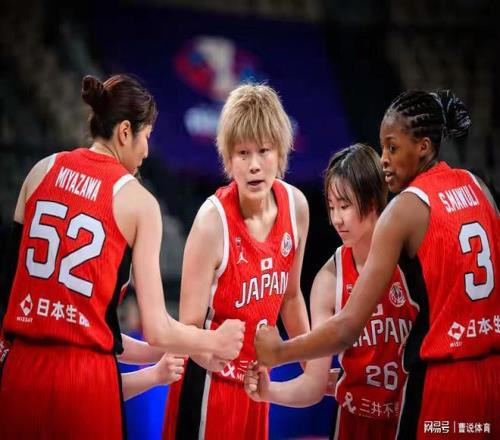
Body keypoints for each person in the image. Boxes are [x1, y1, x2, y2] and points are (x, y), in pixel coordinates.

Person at [0, 74, 244, 439]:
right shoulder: (138, 202)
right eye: (147, 136)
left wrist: (156, 355)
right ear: (125, 132)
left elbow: (16, 293)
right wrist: (215, 340)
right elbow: (157, 328)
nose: (146, 151)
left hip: (21, 370)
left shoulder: (39, 172)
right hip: (86, 378)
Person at [254, 90, 499, 438]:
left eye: (392, 148)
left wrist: (279, 352)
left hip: (437, 388)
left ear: (423, 146)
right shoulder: (479, 186)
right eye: (331, 207)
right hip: (488, 376)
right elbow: (317, 382)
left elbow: (345, 329)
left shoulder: (406, 216)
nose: (385, 159)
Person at [162, 83, 310, 440]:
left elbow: (290, 298)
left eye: (264, 151)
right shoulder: (211, 222)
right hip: (207, 386)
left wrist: (313, 366)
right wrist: (212, 351)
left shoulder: (297, 207)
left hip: (256, 388)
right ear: (228, 160)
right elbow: (187, 328)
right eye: (243, 153)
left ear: (281, 152)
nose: (255, 165)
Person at [245, 144, 418, 439]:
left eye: (345, 206)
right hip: (352, 425)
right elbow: (314, 385)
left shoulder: (411, 261)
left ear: (372, 201)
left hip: (410, 420)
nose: (336, 218)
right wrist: (267, 392)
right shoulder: (328, 279)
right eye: (331, 206)